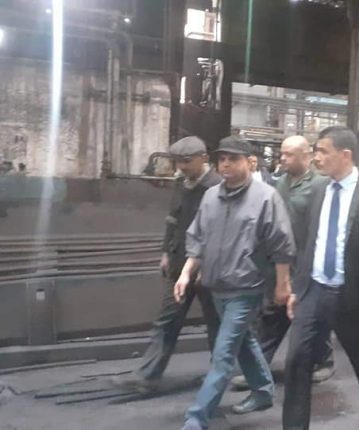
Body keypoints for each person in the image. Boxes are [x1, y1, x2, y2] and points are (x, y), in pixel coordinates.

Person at [178, 135, 296, 430]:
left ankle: (197, 417)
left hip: (247, 287)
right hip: (216, 285)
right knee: (243, 340)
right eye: (222, 159)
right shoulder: (211, 197)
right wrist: (185, 273)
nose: (226, 164)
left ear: (250, 162)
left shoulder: (266, 197)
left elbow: (282, 245)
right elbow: (198, 238)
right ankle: (263, 391)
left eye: (233, 159)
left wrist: (283, 284)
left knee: (223, 354)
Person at [283, 126, 359, 430]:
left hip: (350, 295)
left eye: (323, 151)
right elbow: (309, 243)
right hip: (313, 290)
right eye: (315, 151)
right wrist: (297, 288)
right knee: (296, 360)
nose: (316, 157)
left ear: (345, 155)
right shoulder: (318, 190)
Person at [111, 136, 221, 393]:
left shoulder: (217, 187)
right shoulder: (182, 183)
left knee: (216, 324)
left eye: (187, 161)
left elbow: (220, 231)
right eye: (178, 162)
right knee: (167, 320)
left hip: (208, 267)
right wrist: (165, 252)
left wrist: (208, 265)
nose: (181, 167)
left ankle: (220, 374)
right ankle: (147, 375)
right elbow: (173, 219)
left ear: (204, 158)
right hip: (180, 262)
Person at [230, 136, 336, 399]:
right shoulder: (280, 183)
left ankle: (324, 361)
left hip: (308, 262)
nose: (283, 159)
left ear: (305, 156)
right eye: (282, 154)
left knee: (312, 317)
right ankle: (258, 368)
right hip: (281, 261)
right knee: (272, 316)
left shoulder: (321, 185)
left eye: (289, 155)